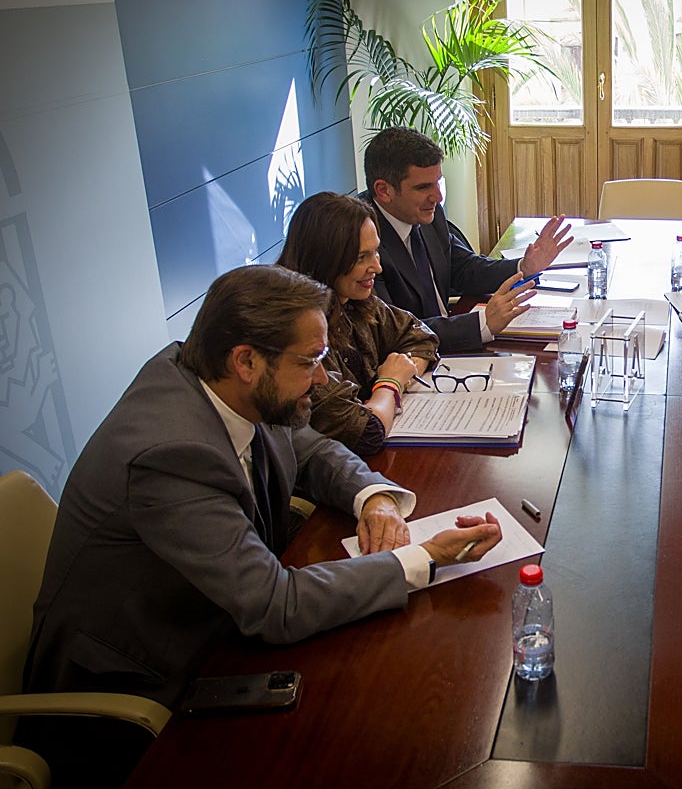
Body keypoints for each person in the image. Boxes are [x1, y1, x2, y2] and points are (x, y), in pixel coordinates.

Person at [18, 265, 503, 788]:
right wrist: (424, 556)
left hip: (216, 623)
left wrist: (375, 498)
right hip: (138, 697)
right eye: (310, 362)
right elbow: (276, 606)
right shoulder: (171, 455)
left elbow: (310, 448)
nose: (322, 379)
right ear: (246, 361)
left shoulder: (223, 382)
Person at [363, 126, 573, 352]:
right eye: (423, 187)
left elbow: (465, 268)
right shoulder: (362, 243)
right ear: (383, 190)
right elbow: (395, 333)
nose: (438, 197)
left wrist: (524, 267)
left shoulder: (427, 214)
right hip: (413, 358)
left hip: (448, 343)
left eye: (437, 182)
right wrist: (482, 323)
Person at [277, 192, 440, 456]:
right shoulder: (297, 329)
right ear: (325, 258)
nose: (377, 267)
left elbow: (422, 337)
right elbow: (366, 432)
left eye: (376, 252)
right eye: (361, 257)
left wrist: (401, 374)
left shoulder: (353, 300)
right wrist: (391, 383)